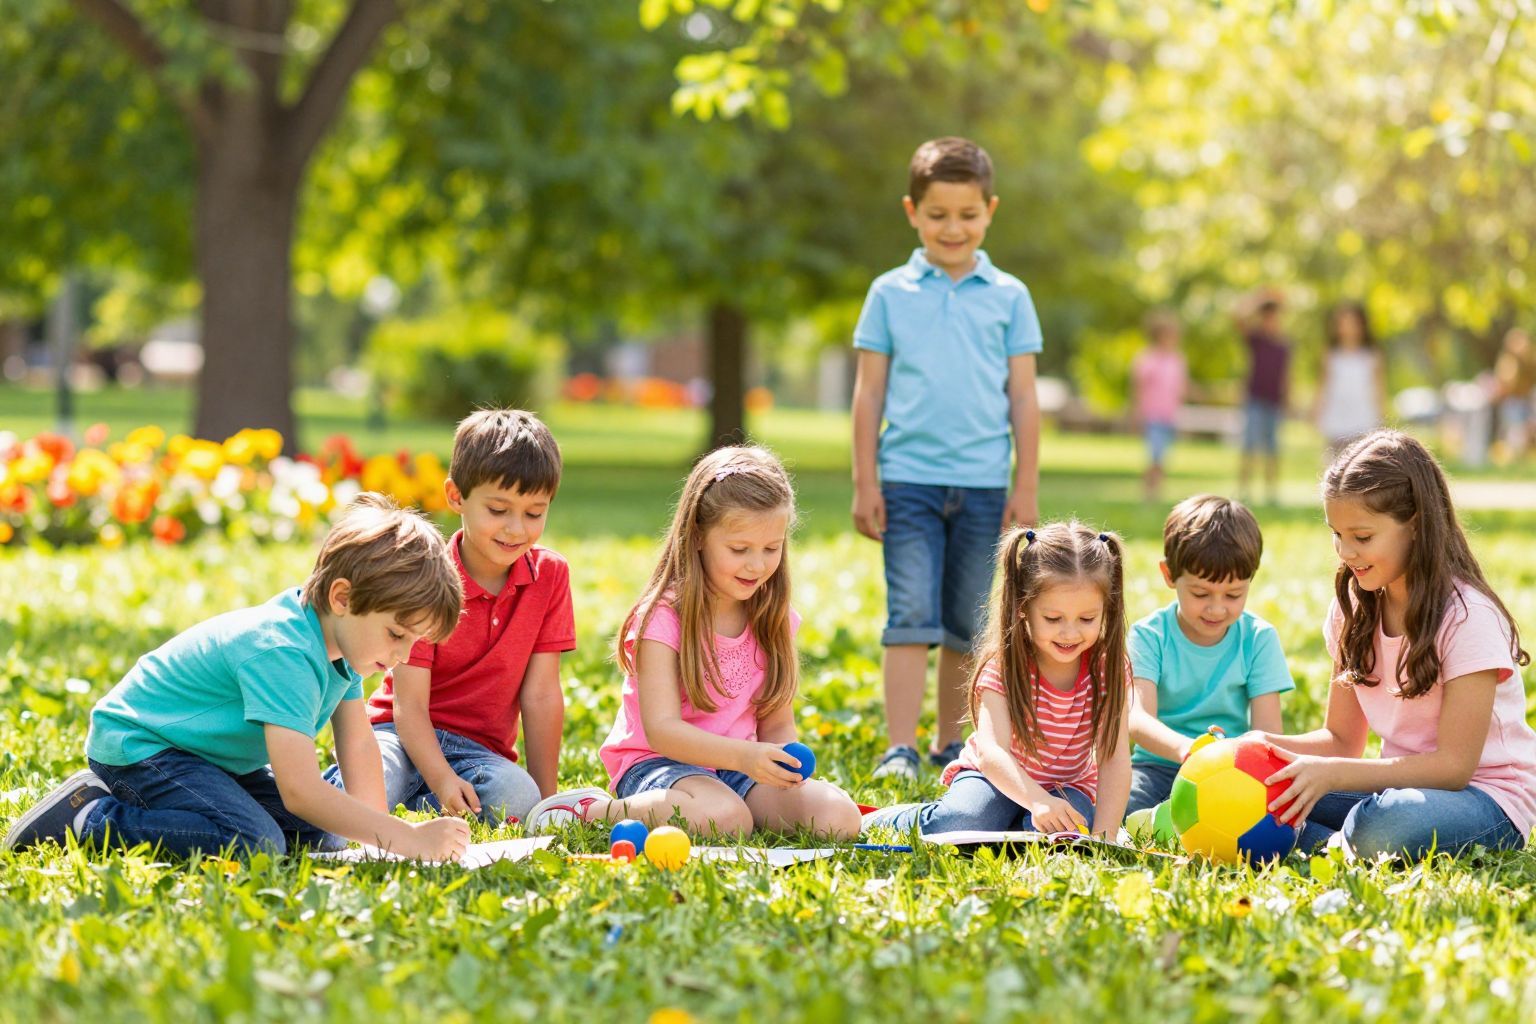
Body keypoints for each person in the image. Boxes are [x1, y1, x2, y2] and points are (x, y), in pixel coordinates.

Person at [3, 494, 470, 861]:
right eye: (396, 634)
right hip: (142, 747)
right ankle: (90, 816)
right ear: (343, 597)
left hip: (206, 760)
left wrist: (380, 840)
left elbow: (358, 745)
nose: (402, 654)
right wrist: (407, 838)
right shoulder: (284, 651)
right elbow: (300, 790)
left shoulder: (343, 642)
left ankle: (157, 808)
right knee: (254, 843)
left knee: (323, 835)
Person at [524, 446, 861, 840]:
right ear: (698, 536)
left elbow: (777, 724)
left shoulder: (773, 617)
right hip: (660, 764)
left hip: (739, 769)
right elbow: (663, 731)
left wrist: (781, 763)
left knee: (838, 817)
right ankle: (591, 811)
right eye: (739, 550)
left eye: (772, 548)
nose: (757, 565)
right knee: (726, 819)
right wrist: (746, 757)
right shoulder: (664, 618)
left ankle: (739, 805)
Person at [850, 136, 1044, 781]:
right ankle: (899, 748)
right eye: (938, 215)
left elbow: (1022, 395)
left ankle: (948, 745)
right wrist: (864, 481)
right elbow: (869, 391)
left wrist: (1026, 485)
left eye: (967, 214)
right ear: (912, 211)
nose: (952, 228)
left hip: (985, 484)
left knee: (965, 620)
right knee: (909, 613)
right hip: (905, 480)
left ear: (990, 210)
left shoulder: (1010, 296)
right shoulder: (888, 293)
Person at [1257, 430, 1535, 860]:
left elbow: (1454, 768)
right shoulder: (1353, 607)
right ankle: (1327, 840)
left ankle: (1315, 840)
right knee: (1267, 782)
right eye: (1337, 534)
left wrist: (1331, 776)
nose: (1347, 552)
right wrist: (1257, 744)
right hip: (1400, 789)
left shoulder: (1467, 617)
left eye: (1363, 537)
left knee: (1385, 823)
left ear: (1416, 525)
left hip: (1488, 799)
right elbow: (1341, 740)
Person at [327, 409, 574, 826]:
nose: (516, 529)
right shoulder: (430, 577)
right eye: (498, 509)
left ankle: (412, 814)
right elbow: (409, 707)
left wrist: (545, 803)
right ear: (456, 496)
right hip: (399, 734)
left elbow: (542, 696)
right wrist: (441, 780)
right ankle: (349, 799)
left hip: (478, 753)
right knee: (370, 781)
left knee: (516, 796)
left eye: (534, 513)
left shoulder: (550, 576)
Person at [861, 522, 1132, 839]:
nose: (1070, 632)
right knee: (959, 824)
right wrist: (1036, 800)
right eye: (1053, 618)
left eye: (1087, 619)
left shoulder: (1106, 667)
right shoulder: (1004, 665)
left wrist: (1104, 837)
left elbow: (1114, 757)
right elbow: (993, 753)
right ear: (1022, 607)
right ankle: (901, 819)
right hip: (992, 778)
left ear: (1107, 609)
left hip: (1067, 787)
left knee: (1065, 836)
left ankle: (1016, 824)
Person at [1124, 495, 1292, 816]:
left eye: (1233, 595)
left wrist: (1224, 763)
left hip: (1231, 771)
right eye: (1200, 594)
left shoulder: (1258, 638)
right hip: (1158, 767)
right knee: (1122, 804)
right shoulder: (1150, 635)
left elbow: (1268, 733)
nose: (1217, 608)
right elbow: (1138, 718)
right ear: (1169, 575)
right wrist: (1188, 750)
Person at [1235, 288, 1292, 505]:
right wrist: (1258, 299)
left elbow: (1287, 375)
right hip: (1255, 399)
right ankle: (1244, 489)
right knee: (1249, 446)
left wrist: (1288, 399)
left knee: (1273, 448)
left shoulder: (1284, 345)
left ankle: (1271, 492)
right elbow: (1238, 317)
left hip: (1274, 402)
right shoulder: (1255, 340)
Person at [1314, 301, 1387, 456]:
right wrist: (1318, 409)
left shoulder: (1371, 355)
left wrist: (1381, 416)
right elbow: (1324, 385)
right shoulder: (1331, 355)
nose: (1348, 328)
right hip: (1337, 415)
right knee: (1335, 460)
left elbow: (1378, 387)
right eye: (1343, 323)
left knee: (1363, 460)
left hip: (1363, 416)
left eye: (1353, 323)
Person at [1130, 310, 1188, 501]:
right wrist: (1136, 412)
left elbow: (1181, 387)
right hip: (1152, 414)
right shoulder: (1147, 359)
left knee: (1163, 457)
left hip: (1169, 415)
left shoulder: (1177, 360)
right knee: (1155, 455)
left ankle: (1157, 491)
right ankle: (1149, 492)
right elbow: (1138, 387)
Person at [1492, 327, 1536, 460]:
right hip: (1514, 402)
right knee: (1515, 426)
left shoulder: (1531, 360)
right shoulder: (1507, 363)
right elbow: (1503, 385)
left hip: (1528, 401)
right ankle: (1515, 452)